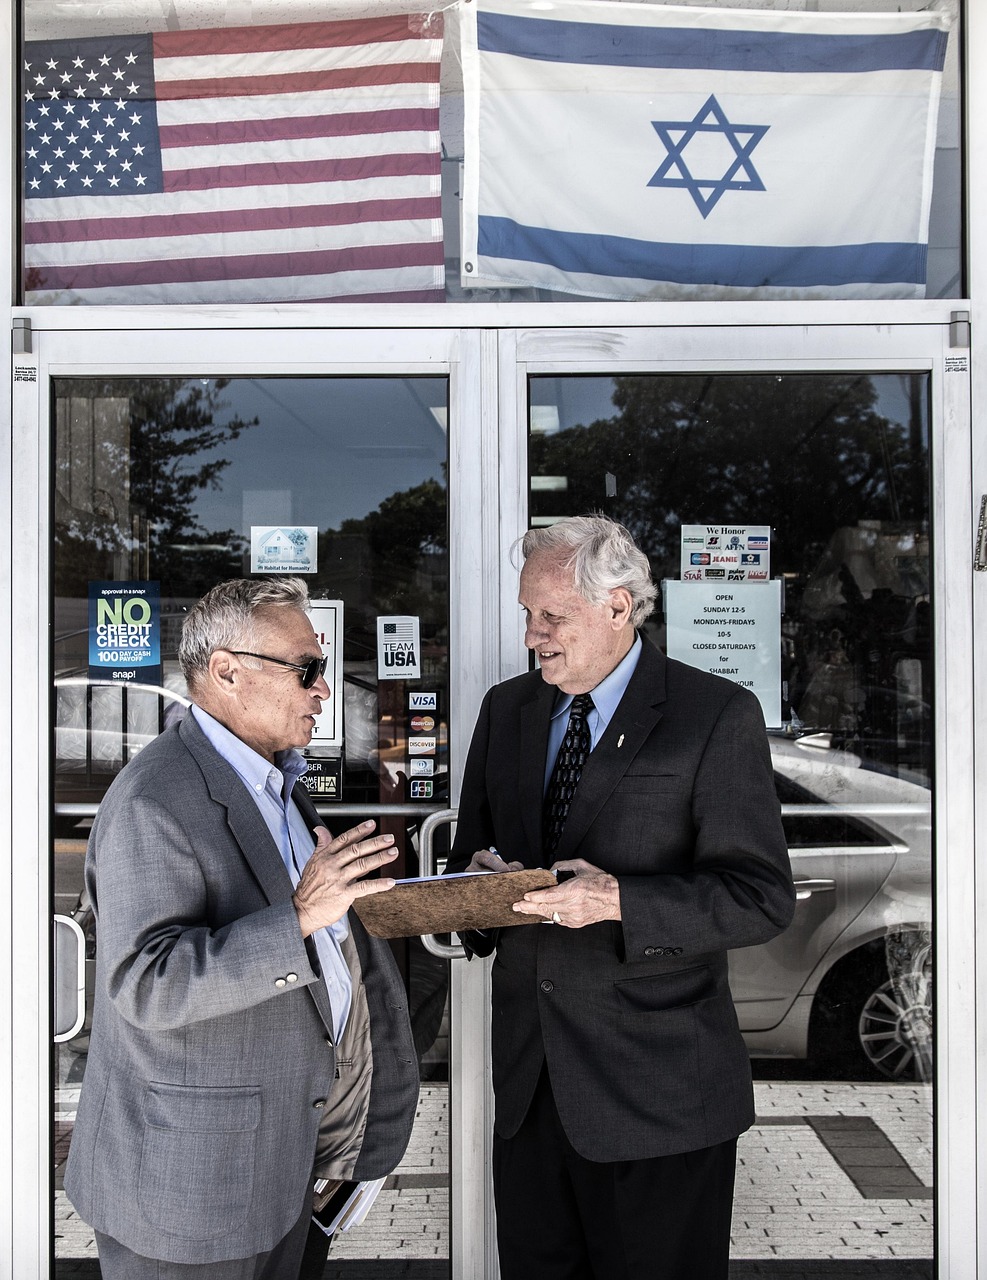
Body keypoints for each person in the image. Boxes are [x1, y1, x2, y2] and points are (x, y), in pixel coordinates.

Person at [447, 515, 796, 1280]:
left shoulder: (713, 714)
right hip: (532, 1089)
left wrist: (618, 902)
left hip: (660, 1095)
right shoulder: (507, 711)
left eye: (552, 618)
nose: (533, 636)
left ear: (616, 607)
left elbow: (761, 897)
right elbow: (466, 863)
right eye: (527, 615)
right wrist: (477, 890)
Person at [65, 577, 419, 1279]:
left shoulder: (275, 781)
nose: (325, 691)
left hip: (285, 1171)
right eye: (308, 670)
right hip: (192, 1194)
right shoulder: (155, 799)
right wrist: (296, 919)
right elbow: (147, 986)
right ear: (226, 671)